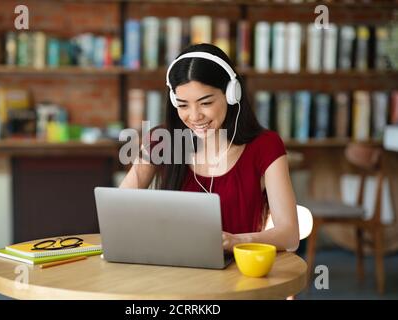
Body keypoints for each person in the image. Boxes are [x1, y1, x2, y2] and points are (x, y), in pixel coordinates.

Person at [120, 43, 299, 252]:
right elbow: (118, 209)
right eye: (183, 105)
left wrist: (236, 242)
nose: (195, 116)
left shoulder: (265, 146)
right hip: (171, 271)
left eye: (205, 103)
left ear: (232, 94)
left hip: (235, 275)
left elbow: (289, 235)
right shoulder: (163, 140)